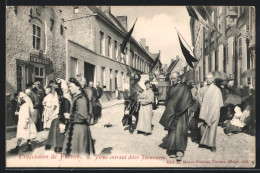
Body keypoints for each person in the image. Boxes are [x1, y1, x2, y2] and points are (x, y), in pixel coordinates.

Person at [159, 72, 194, 161]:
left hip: (182, 114)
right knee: (172, 132)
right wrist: (170, 108)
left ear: (178, 78)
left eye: (174, 78)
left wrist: (179, 108)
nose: (172, 80)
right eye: (171, 78)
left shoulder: (184, 88)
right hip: (172, 114)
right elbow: (167, 100)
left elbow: (188, 99)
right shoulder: (170, 89)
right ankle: (172, 150)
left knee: (180, 132)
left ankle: (180, 151)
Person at [63, 77, 95, 155]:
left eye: (71, 86)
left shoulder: (81, 99)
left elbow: (83, 116)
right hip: (76, 128)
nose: (69, 88)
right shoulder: (77, 97)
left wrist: (69, 116)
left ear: (78, 87)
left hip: (79, 130)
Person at [198, 73, 224, 152]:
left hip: (214, 110)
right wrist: (202, 106)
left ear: (213, 79)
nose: (208, 80)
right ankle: (204, 142)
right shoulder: (202, 89)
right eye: (207, 78)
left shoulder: (217, 90)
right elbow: (199, 99)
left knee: (212, 128)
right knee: (203, 126)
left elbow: (219, 102)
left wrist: (213, 110)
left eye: (210, 78)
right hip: (204, 110)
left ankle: (212, 145)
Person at [45, 78, 71, 153]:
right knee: (55, 130)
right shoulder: (59, 94)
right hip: (58, 114)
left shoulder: (64, 97)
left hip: (61, 115)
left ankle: (59, 146)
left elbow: (60, 106)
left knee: (59, 130)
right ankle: (55, 145)